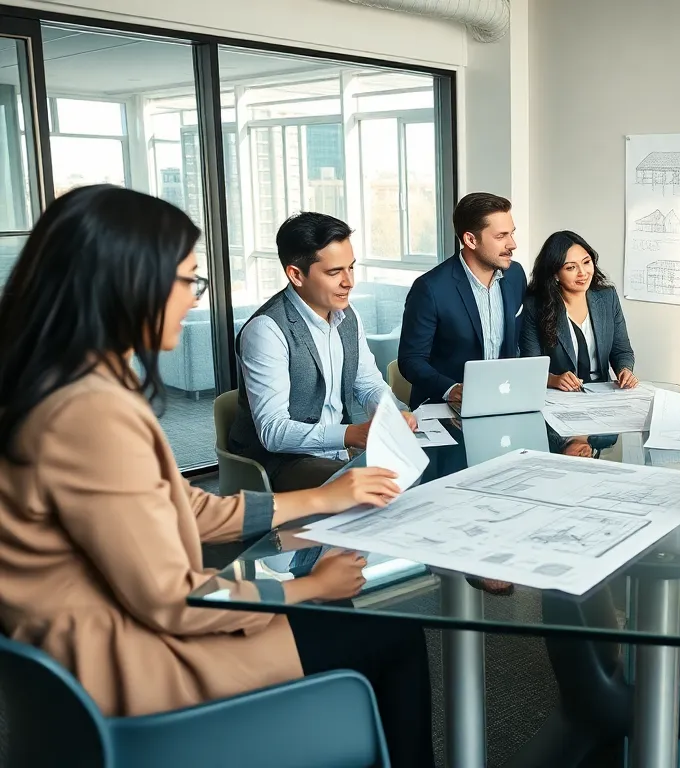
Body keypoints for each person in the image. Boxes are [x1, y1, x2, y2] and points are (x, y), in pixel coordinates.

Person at [0, 186, 432, 766]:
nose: (193, 300)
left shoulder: (61, 386)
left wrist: (315, 499)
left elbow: (177, 505)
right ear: (127, 284)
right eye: (188, 280)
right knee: (395, 640)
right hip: (129, 665)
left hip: (89, 645)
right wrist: (308, 588)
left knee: (343, 615)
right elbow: (177, 601)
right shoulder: (90, 413)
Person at [229, 212, 416, 492]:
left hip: (339, 454)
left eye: (351, 268)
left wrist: (393, 412)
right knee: (380, 488)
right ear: (296, 274)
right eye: (334, 272)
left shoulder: (347, 316)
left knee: (414, 474)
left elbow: (368, 385)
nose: (349, 281)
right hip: (281, 462)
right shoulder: (266, 330)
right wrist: (351, 434)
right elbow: (273, 432)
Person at [398, 192, 527, 408]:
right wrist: (451, 390)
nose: (512, 244)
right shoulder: (430, 288)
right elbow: (411, 360)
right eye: (501, 236)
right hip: (445, 407)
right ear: (470, 240)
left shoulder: (515, 275)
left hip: (503, 402)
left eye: (512, 233)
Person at [519, 230, 637, 458]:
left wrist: (625, 370)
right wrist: (554, 379)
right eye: (571, 267)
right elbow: (528, 366)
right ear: (555, 273)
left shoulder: (607, 297)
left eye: (586, 262)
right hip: (557, 407)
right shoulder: (536, 306)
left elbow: (622, 349)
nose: (583, 273)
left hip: (602, 402)